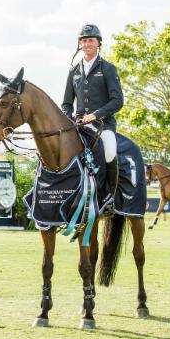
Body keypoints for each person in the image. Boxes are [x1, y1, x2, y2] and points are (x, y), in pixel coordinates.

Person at [61, 23, 124, 212]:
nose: (87, 43)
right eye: (84, 40)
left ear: (98, 43)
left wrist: (95, 115)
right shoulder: (74, 71)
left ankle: (109, 198)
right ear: (80, 44)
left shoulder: (108, 68)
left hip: (103, 125)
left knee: (110, 151)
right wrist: (69, 119)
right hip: (79, 126)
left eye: (90, 40)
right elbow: (66, 103)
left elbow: (117, 101)